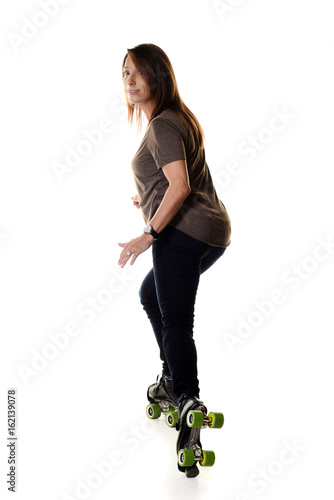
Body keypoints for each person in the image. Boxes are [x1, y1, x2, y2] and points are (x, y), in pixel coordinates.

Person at [118, 43, 231, 477]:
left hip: (182, 235)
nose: (130, 80)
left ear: (158, 78)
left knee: (176, 319)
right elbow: (176, 182)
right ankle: (171, 379)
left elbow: (180, 186)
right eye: (125, 72)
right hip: (213, 232)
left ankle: (186, 397)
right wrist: (145, 199)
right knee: (153, 296)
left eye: (139, 73)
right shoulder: (178, 118)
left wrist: (149, 233)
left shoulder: (163, 124)